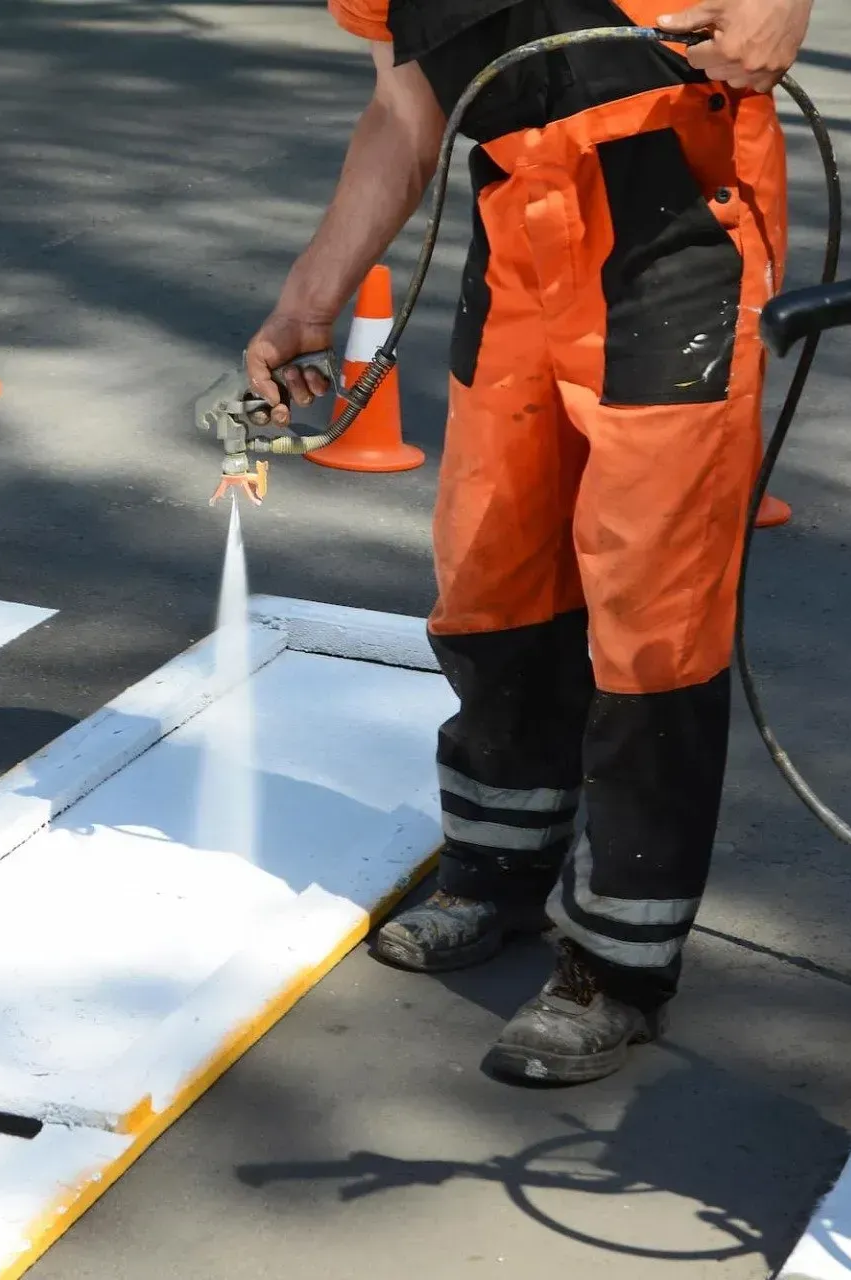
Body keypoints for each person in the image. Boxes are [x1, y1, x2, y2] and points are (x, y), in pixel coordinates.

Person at [246, 0, 815, 1085]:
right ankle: (495, 868)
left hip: (673, 227)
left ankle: (618, 960)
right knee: (491, 567)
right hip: (521, 241)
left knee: (655, 603)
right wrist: (308, 298)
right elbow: (405, 108)